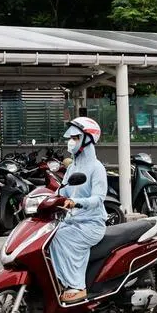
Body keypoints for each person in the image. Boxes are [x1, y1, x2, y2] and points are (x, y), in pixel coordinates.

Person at [49, 116, 108, 303]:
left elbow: (98, 198)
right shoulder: (73, 166)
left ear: (87, 140)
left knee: (60, 237)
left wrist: (76, 202)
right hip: (72, 221)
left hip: (91, 224)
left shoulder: (97, 168)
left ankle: (77, 286)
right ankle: (58, 281)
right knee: (47, 237)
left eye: (75, 137)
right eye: (71, 137)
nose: (71, 141)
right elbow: (62, 189)